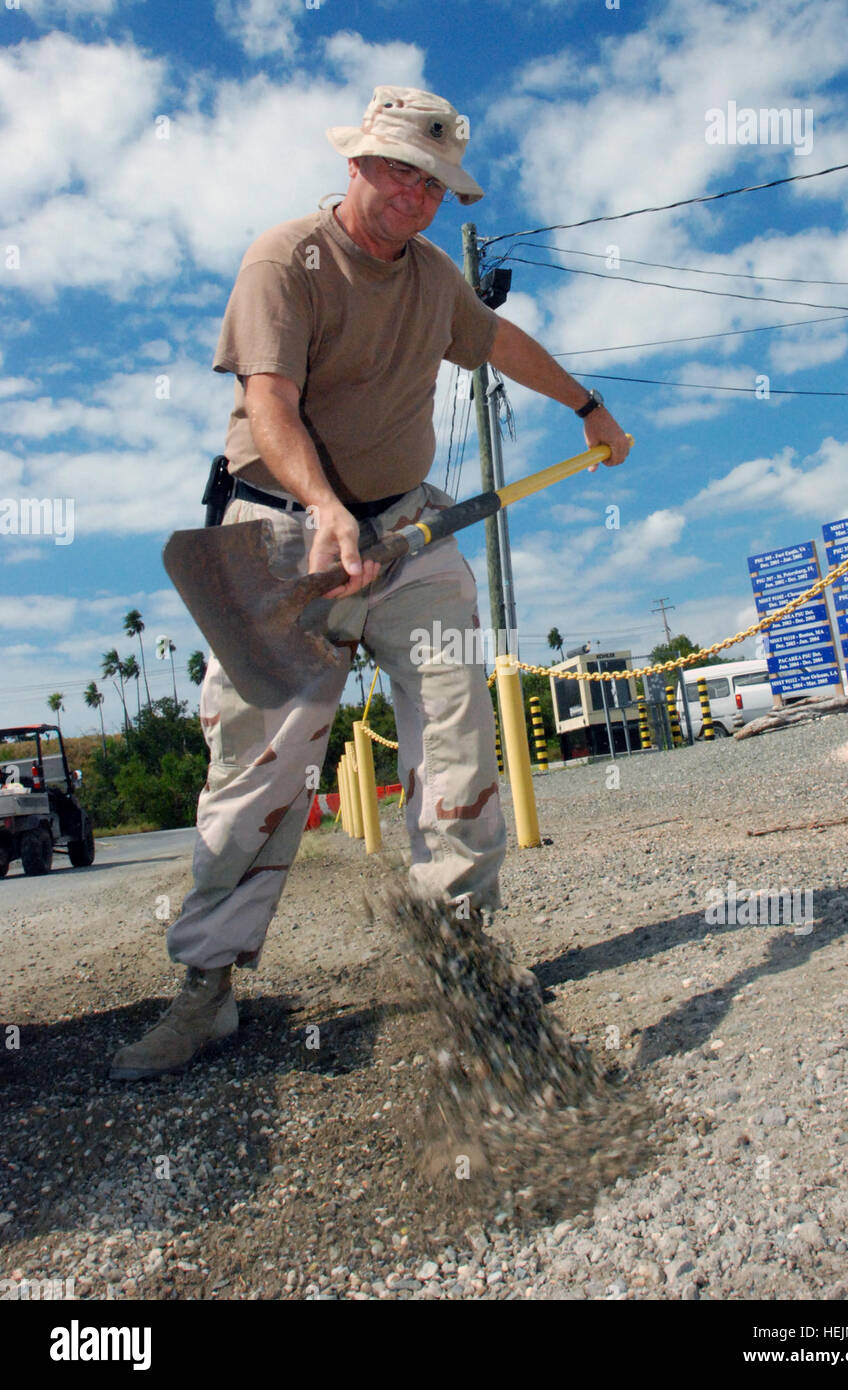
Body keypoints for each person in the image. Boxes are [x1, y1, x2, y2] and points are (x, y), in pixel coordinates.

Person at [110, 86, 631, 1081]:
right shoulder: (286, 260)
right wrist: (323, 508)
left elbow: (499, 343)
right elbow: (270, 402)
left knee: (454, 721)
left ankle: (460, 953)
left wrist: (589, 405)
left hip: (407, 523)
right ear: (356, 164)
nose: (417, 194)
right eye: (400, 171)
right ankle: (209, 987)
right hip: (278, 531)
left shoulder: (435, 280)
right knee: (260, 764)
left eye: (433, 183)